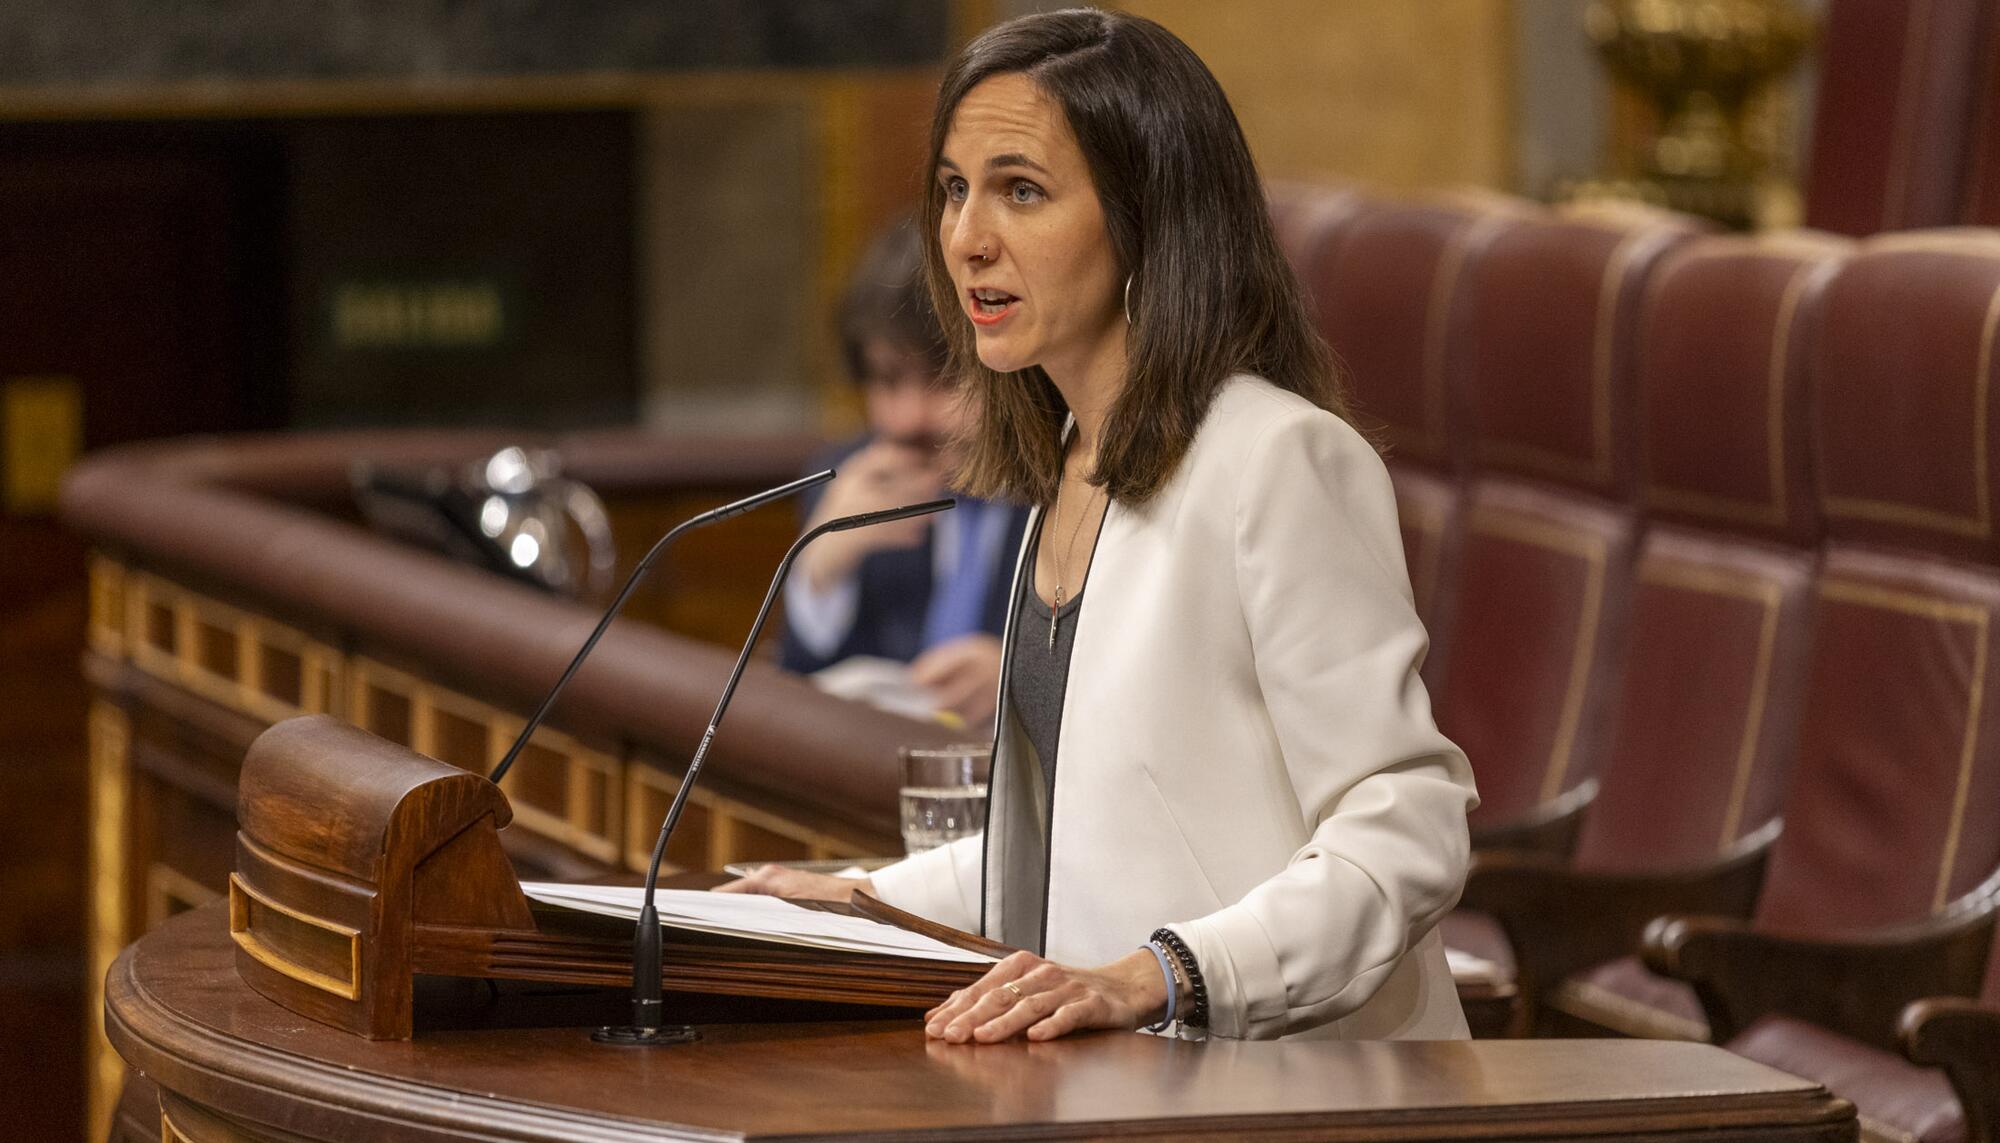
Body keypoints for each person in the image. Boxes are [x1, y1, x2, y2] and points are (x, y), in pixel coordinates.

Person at [724, 7, 1478, 1045]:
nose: (966, 238)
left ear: (1145, 217)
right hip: (1124, 1085)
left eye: (1020, 191)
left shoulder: (1279, 459)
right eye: (953, 189)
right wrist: (858, 897)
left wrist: (1157, 976)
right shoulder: (1071, 461)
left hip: (1299, 1084)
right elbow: (1080, 847)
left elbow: (1407, 829)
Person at [780, 220, 1030, 727]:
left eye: (945, 376)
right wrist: (820, 572)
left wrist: (1022, 678)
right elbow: (801, 690)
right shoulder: (845, 481)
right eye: (888, 379)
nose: (909, 418)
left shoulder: (1081, 487)